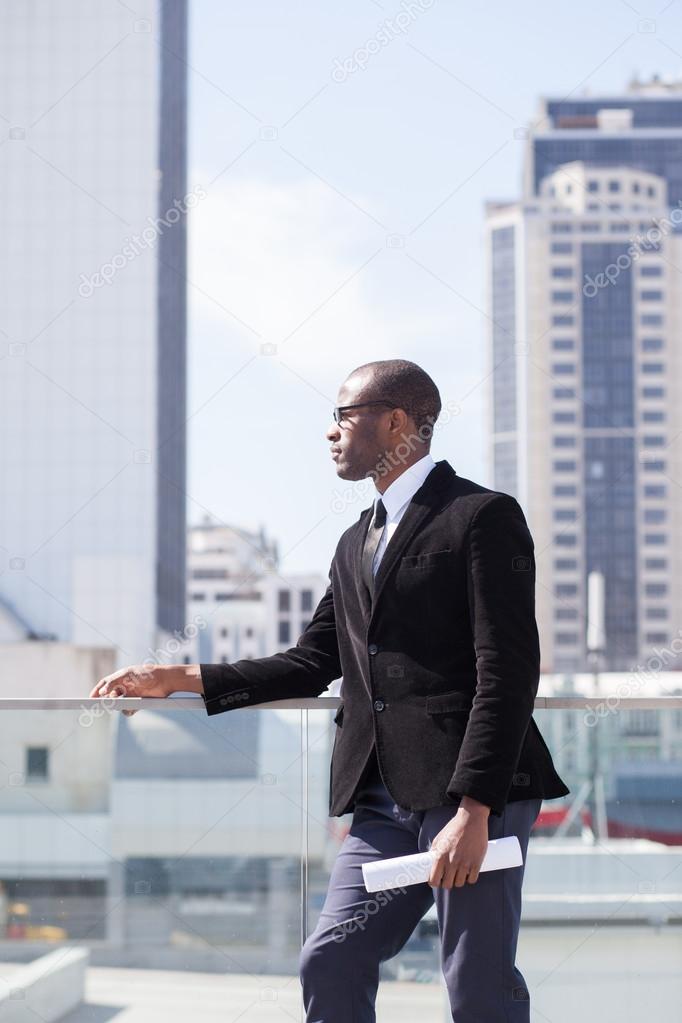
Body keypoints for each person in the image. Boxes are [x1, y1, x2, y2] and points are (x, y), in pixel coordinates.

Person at [91, 358, 569, 1021]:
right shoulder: (355, 542)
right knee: (330, 957)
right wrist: (178, 677)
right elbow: (313, 660)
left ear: (396, 421)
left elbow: (509, 666)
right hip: (381, 800)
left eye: (343, 415)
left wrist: (476, 806)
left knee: (477, 981)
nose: (330, 433)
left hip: (473, 790)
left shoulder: (480, 515)